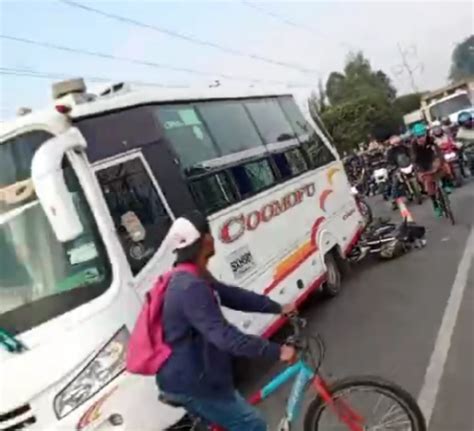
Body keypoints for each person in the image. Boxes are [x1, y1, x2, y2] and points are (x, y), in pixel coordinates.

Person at [156, 211, 296, 431]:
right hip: (193, 382)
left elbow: (231, 296)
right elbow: (226, 337)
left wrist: (277, 308)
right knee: (254, 425)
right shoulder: (189, 286)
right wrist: (275, 351)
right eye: (209, 233)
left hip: (197, 373)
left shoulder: (193, 274)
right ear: (205, 240)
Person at [411, 123, 452, 217]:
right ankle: (436, 205)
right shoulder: (414, 146)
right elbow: (414, 160)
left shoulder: (431, 140)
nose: (421, 138)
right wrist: (419, 169)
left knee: (445, 167)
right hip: (422, 165)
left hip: (433, 160)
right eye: (419, 136)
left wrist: (441, 161)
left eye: (423, 135)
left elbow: (438, 151)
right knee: (429, 185)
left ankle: (446, 184)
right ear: (416, 137)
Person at [385, 135, 412, 207]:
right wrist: (392, 166)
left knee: (418, 174)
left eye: (398, 142)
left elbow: (411, 154)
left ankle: (424, 189)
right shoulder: (390, 152)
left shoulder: (404, 147)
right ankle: (394, 199)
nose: (397, 144)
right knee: (395, 182)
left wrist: (413, 160)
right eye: (395, 143)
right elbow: (389, 161)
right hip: (397, 168)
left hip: (407, 165)